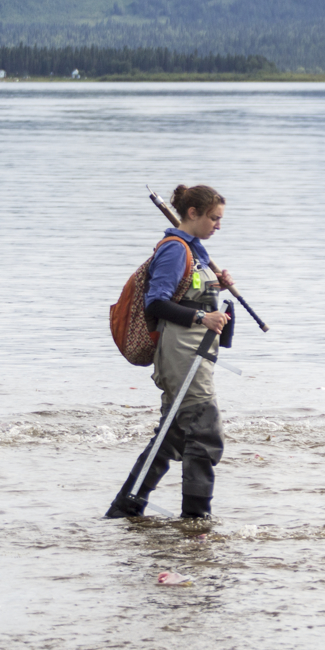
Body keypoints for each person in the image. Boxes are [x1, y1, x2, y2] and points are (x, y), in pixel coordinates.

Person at [106, 184, 235, 519]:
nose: (218, 226)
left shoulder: (195, 252)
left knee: (172, 436)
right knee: (205, 431)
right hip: (181, 355)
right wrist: (201, 316)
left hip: (194, 353)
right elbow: (157, 303)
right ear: (193, 213)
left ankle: (125, 509)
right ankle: (196, 519)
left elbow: (187, 290)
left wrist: (214, 287)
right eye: (213, 218)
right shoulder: (175, 250)